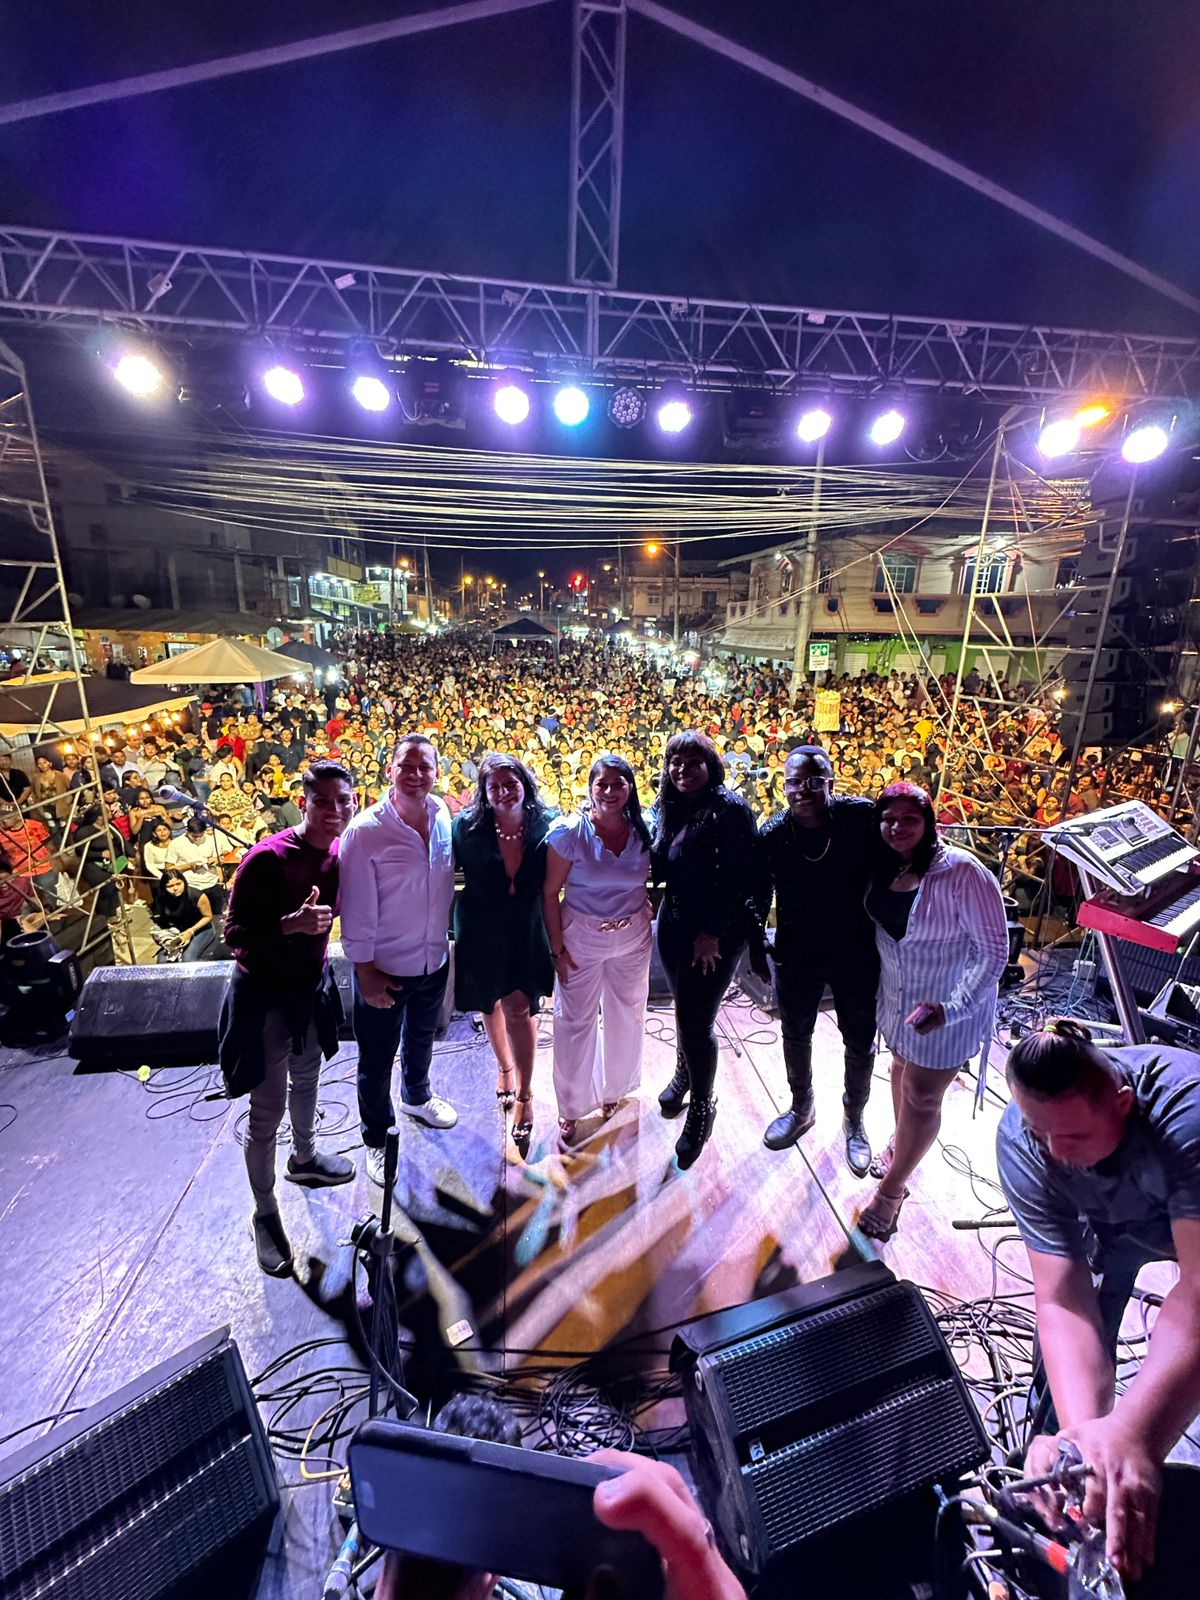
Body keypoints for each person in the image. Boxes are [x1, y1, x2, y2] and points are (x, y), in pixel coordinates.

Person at [998, 1021, 1200, 1585]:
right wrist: (1087, 1452)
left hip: (1181, 1212)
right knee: (1075, 1421)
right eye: (1041, 1133)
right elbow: (1063, 1298)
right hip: (1107, 1228)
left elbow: (1198, 1289)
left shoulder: (1187, 1113)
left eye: (1074, 1136)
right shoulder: (1023, 1140)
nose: (1055, 1153)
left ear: (1123, 1104)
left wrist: (1136, 1432)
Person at [219, 760, 357, 1276]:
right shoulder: (266, 858)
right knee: (266, 1109)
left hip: (309, 989)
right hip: (264, 996)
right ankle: (264, 1210)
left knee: (309, 1078)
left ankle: (305, 1158)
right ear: (303, 803)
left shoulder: (341, 854)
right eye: (323, 801)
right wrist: (288, 925)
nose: (334, 810)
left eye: (343, 801)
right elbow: (233, 934)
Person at [859, 781, 1008, 1240]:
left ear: (930, 823)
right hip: (897, 999)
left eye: (910, 819)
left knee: (923, 1094)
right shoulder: (882, 864)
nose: (897, 827)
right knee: (901, 1069)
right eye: (888, 819)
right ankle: (901, 1144)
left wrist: (952, 1007)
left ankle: (892, 1190)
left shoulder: (963, 873)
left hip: (948, 1007)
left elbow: (994, 951)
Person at [750, 746, 879, 1175]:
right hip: (797, 950)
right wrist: (755, 940)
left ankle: (854, 1117)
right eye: (794, 782)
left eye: (813, 781)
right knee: (794, 1033)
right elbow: (758, 892)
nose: (802, 790)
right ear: (783, 786)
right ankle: (801, 1107)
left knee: (859, 1039)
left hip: (854, 948)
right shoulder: (773, 834)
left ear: (830, 784)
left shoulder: (859, 817)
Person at [339, 733, 458, 1188]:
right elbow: (355, 908)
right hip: (384, 968)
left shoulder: (441, 814)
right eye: (406, 766)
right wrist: (364, 971)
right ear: (389, 770)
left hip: (433, 958)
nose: (415, 774)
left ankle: (416, 1096)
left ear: (436, 773)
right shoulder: (365, 832)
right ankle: (375, 1136)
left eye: (424, 767)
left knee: (422, 1037)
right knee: (376, 1058)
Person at [651, 731, 757, 1170]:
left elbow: (745, 879)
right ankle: (685, 1073)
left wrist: (713, 931)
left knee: (697, 1021)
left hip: (714, 936)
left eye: (692, 761)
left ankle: (702, 1106)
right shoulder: (669, 805)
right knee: (684, 1011)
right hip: (674, 924)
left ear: (710, 765)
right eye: (675, 761)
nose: (682, 769)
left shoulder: (730, 809)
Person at [542, 754, 653, 1151]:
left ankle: (614, 1091)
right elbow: (549, 893)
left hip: (633, 937)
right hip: (581, 939)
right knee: (574, 1021)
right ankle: (572, 1107)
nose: (609, 791)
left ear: (630, 788)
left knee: (628, 1014)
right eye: (601, 783)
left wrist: (644, 904)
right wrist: (557, 949)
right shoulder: (571, 833)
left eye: (618, 783)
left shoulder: (644, 828)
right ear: (589, 787)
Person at [453, 754, 555, 1143]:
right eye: (493, 786)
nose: (503, 792)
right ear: (483, 791)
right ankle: (504, 1068)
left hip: (525, 925)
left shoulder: (547, 824)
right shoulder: (464, 828)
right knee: (489, 1002)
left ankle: (526, 1094)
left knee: (519, 1007)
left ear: (525, 784)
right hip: (480, 924)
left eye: (510, 783)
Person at [151, 867, 216, 962]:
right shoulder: (162, 898)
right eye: (170, 886)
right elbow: (162, 922)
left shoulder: (197, 896)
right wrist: (166, 938)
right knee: (162, 960)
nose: (175, 888)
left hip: (201, 930)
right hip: (178, 931)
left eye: (178, 884)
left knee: (188, 959)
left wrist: (191, 931)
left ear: (184, 882)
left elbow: (208, 916)